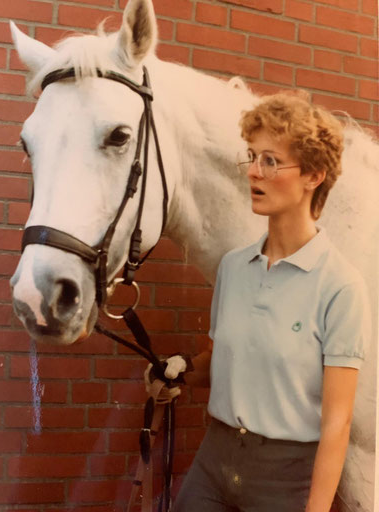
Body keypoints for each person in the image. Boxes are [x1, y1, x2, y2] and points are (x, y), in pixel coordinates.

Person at [147, 93, 371, 512]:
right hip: (216, 460)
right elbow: (223, 359)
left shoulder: (340, 287)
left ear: (313, 175)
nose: (253, 171)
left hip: (286, 479)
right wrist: (177, 374)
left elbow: (337, 423)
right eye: (251, 157)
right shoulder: (233, 268)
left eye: (270, 160)